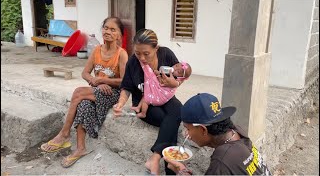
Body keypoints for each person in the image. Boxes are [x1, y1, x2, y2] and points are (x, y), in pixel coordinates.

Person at [40, 17, 128, 168]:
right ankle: (80, 148)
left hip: (112, 93)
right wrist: (95, 81)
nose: (108, 31)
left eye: (113, 30)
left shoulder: (121, 54)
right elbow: (85, 73)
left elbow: (125, 81)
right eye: (106, 28)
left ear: (119, 35)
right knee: (84, 104)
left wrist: (101, 81)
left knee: (78, 92)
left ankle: (64, 133)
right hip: (96, 90)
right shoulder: (96, 50)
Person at [113, 29, 183, 175]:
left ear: (156, 49)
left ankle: (155, 158)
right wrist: (120, 103)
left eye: (146, 53)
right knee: (168, 121)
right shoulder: (133, 62)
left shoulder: (166, 54)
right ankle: (170, 167)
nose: (142, 58)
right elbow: (126, 87)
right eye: (138, 53)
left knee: (178, 111)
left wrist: (173, 83)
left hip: (165, 96)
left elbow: (180, 76)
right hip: (144, 104)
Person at [164, 93, 272, 175]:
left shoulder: (223, 158)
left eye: (188, 129)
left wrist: (181, 172)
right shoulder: (235, 132)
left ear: (203, 130)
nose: (187, 135)